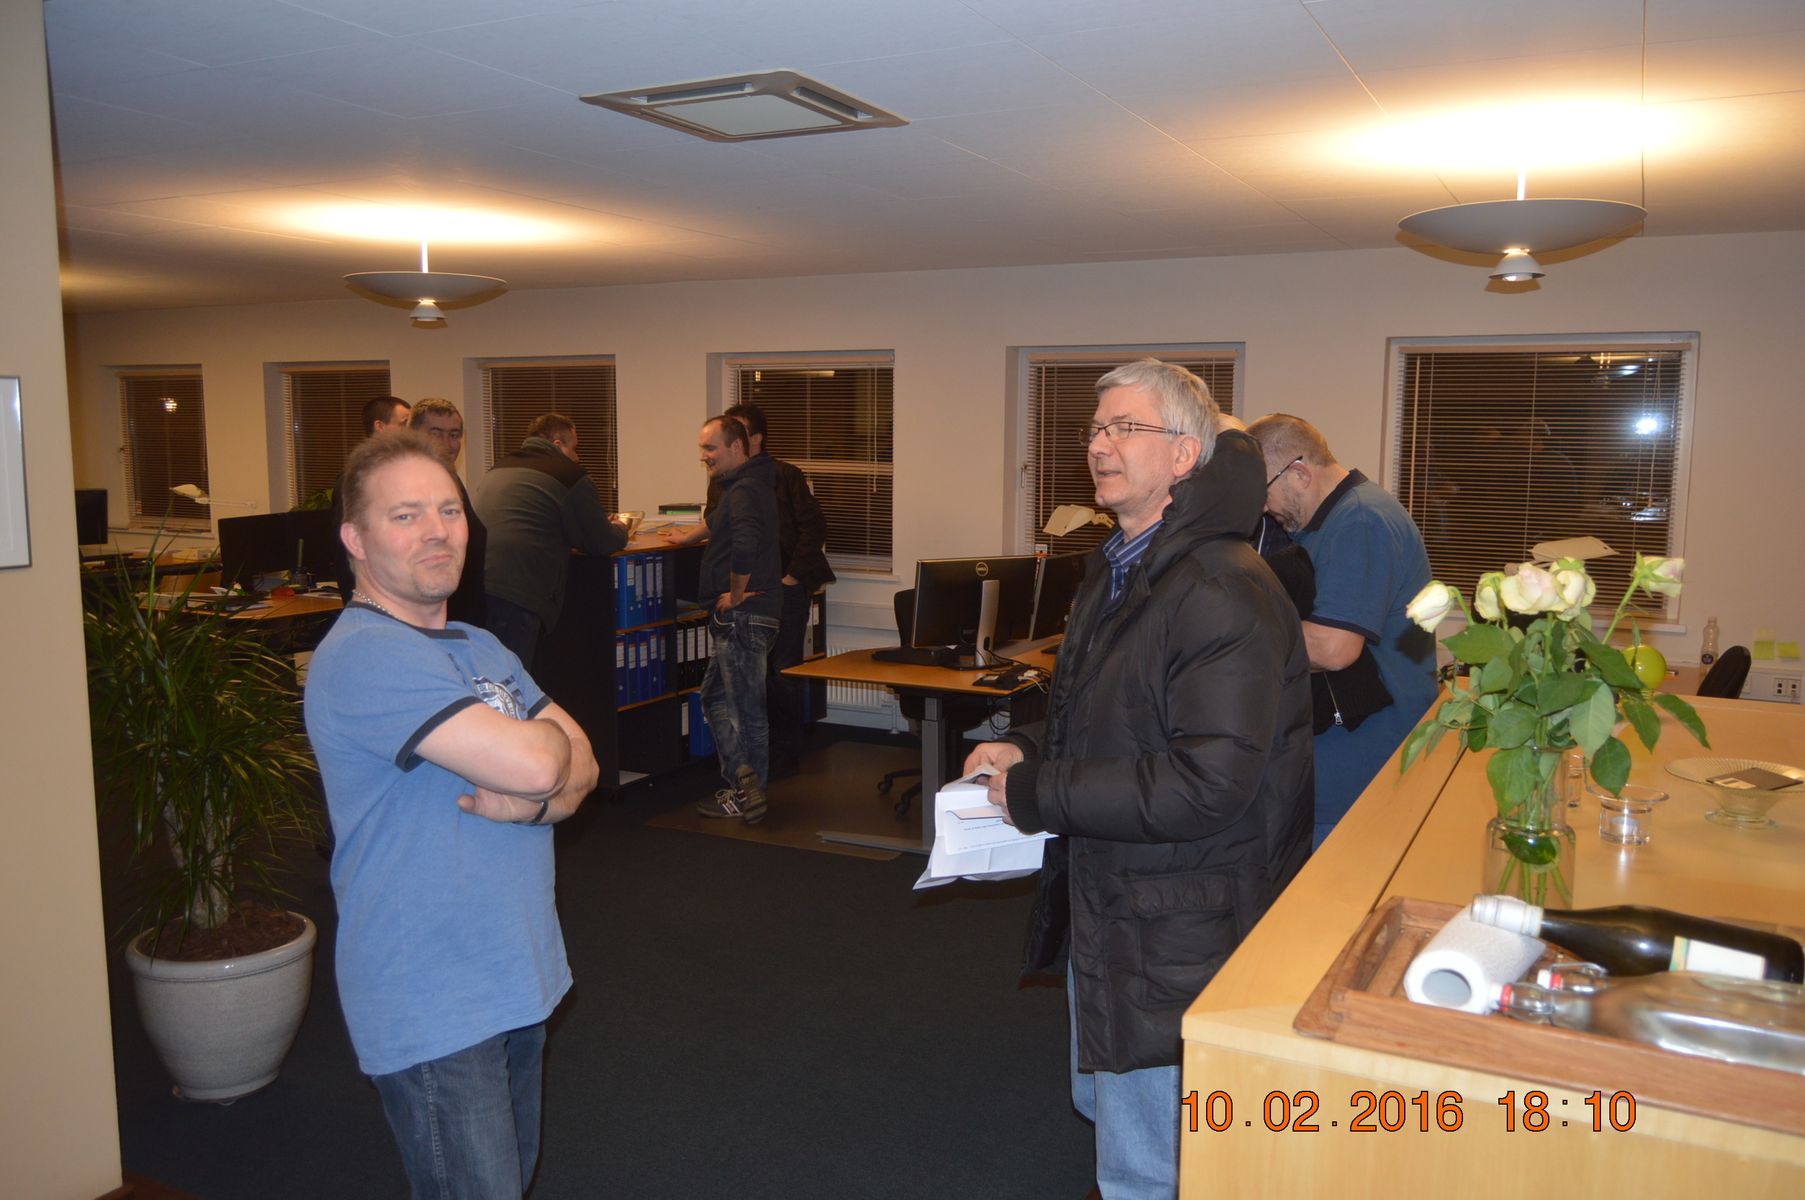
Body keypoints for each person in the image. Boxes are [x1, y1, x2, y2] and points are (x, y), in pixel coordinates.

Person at [964, 359, 1313, 1199]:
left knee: (1151, 1162)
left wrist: (1038, 795)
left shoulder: (1219, 586)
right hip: (1122, 893)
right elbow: (1114, 710)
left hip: (1181, 913)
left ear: (1185, 455)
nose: (1099, 445)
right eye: (1096, 428)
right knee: (1115, 1115)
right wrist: (1028, 747)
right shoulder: (1123, 566)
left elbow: (1204, 783)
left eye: (1127, 428)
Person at [304, 431, 598, 1199]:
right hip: (433, 994)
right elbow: (548, 762)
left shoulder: (481, 643)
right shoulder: (365, 653)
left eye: (448, 510)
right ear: (355, 539)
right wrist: (542, 763)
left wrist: (530, 803)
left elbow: (586, 768)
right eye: (405, 516)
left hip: (513, 972)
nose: (436, 531)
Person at [1247, 413, 1439, 848]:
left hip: (1361, 763)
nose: (1263, 508)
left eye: (1264, 491)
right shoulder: (1331, 521)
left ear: (1299, 473)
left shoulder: (1361, 521)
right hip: (1348, 755)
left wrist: (1235, 635)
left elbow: (1334, 648)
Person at [717, 401, 835, 776]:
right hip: (745, 592)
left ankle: (785, 754)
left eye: (738, 431)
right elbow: (720, 527)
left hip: (784, 588)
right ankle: (753, 754)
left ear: (755, 439)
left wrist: (791, 577)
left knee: (783, 672)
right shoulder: (723, 480)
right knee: (748, 676)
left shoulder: (785, 476)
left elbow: (813, 527)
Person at [474, 413, 627, 671]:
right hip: (519, 590)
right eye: (574, 448)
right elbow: (601, 541)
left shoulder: (498, 468)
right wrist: (621, 528)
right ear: (557, 444)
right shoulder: (568, 475)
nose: (577, 457)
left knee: (484, 670)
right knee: (511, 677)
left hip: (478, 583)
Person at [691, 415, 782, 824]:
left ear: (737, 447)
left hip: (744, 616)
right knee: (713, 698)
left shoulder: (744, 490)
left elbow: (745, 543)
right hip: (748, 616)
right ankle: (743, 774)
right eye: (702, 448)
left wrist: (738, 593)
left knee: (747, 711)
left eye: (710, 448)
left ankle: (749, 796)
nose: (704, 456)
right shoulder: (750, 485)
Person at [409, 397, 487, 628]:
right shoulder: (405, 487)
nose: (447, 443)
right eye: (436, 433)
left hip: (459, 616)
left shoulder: (450, 481)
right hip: (425, 622)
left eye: (454, 435)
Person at [329, 396, 413, 598]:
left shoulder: (398, 474)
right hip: (371, 594)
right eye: (403, 424)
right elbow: (345, 549)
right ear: (379, 427)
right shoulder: (356, 479)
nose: (409, 432)